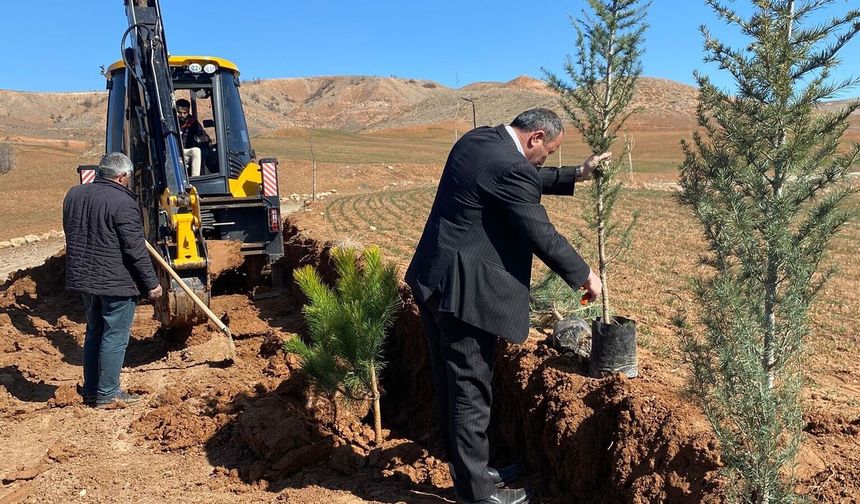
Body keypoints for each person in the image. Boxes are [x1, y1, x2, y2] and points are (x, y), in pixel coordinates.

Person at [405, 108, 608, 504]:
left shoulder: (479, 139)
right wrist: (585, 275)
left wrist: (576, 174)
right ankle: (478, 494)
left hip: (434, 279)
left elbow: (517, 174)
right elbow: (541, 233)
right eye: (549, 152)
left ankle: (471, 472)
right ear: (535, 138)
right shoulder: (510, 167)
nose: (545, 159)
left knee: (451, 386)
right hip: (464, 295)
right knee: (469, 391)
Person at [63, 152, 162, 408]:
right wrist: (152, 283)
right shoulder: (123, 202)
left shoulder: (74, 195)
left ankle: (91, 390)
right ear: (122, 176)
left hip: (86, 280)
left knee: (94, 331)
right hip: (116, 282)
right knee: (114, 336)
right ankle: (108, 393)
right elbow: (135, 249)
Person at [176, 98, 211, 177]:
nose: (182, 115)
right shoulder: (171, 121)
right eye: (179, 112)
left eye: (185, 113)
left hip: (185, 150)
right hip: (173, 150)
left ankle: (195, 177)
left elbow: (203, 135)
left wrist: (201, 139)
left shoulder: (192, 122)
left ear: (188, 111)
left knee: (196, 151)